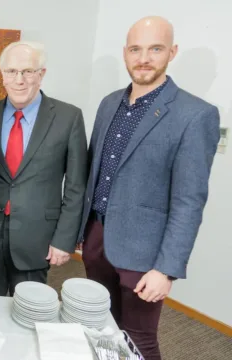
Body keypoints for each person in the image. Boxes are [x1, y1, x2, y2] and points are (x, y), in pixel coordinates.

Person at [78, 16, 220, 360]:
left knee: (139, 338)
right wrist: (82, 232)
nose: (144, 58)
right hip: (97, 239)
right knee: (101, 327)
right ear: (125, 53)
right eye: (136, 49)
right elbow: (94, 171)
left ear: (172, 52)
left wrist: (166, 269)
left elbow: (189, 201)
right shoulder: (109, 103)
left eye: (155, 49)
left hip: (145, 254)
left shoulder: (195, 114)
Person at [0, 41, 88, 296]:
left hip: (38, 237)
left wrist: (64, 240)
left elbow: (76, 186)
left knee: (30, 312)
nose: (19, 80)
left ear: (42, 74)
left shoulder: (69, 118)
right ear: (2, 76)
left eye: (28, 71)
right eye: (12, 71)